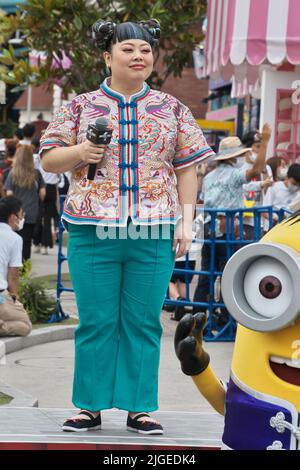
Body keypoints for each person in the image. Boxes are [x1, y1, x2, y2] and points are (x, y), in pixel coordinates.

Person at [39, 19, 215, 434]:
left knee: (143, 320)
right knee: (97, 320)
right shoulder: (79, 107)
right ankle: (89, 406)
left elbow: (188, 169)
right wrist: (82, 149)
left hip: (154, 228)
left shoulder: (173, 108)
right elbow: (49, 159)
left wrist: (186, 223)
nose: (139, 56)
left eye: (145, 50)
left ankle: (140, 407)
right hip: (92, 227)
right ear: (107, 56)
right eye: (128, 49)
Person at [193, 127, 271, 323]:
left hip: (208, 227)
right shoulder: (235, 174)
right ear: (234, 156)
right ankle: (227, 319)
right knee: (229, 274)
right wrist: (265, 143)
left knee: (206, 274)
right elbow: (256, 170)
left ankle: (197, 316)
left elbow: (203, 200)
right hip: (226, 228)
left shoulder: (210, 176)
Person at [4, 145, 46, 260]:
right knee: (26, 242)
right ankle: (24, 269)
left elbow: (9, 194)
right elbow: (42, 194)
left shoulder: (13, 173)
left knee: (13, 241)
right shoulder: (36, 174)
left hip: (15, 214)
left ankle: (14, 267)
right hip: (31, 213)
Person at [0, 196, 32, 337]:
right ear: (13, 217)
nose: (21, 218)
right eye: (21, 215)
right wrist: (15, 298)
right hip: (1, 295)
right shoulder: (14, 239)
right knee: (25, 326)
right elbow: (13, 275)